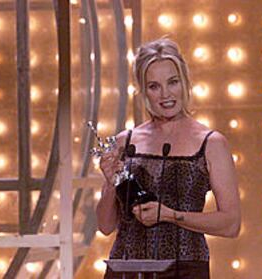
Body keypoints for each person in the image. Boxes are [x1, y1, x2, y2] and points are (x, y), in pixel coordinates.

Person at [96, 37, 241, 279]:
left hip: (184, 269)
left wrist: (170, 215)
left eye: (172, 82)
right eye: (154, 86)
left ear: (184, 82)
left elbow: (231, 224)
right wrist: (111, 184)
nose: (165, 94)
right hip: (127, 269)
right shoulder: (126, 141)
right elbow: (105, 226)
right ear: (143, 91)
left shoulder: (211, 143)